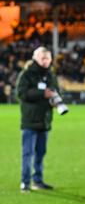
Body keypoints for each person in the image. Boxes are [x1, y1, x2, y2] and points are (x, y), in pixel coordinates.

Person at [16, 47, 59, 193]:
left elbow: (56, 92)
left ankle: (38, 181)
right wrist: (42, 93)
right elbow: (21, 93)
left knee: (41, 153)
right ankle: (25, 182)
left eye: (48, 58)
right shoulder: (27, 74)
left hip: (45, 121)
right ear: (36, 58)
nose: (46, 61)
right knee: (28, 153)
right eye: (43, 58)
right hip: (30, 121)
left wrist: (55, 100)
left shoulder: (51, 75)